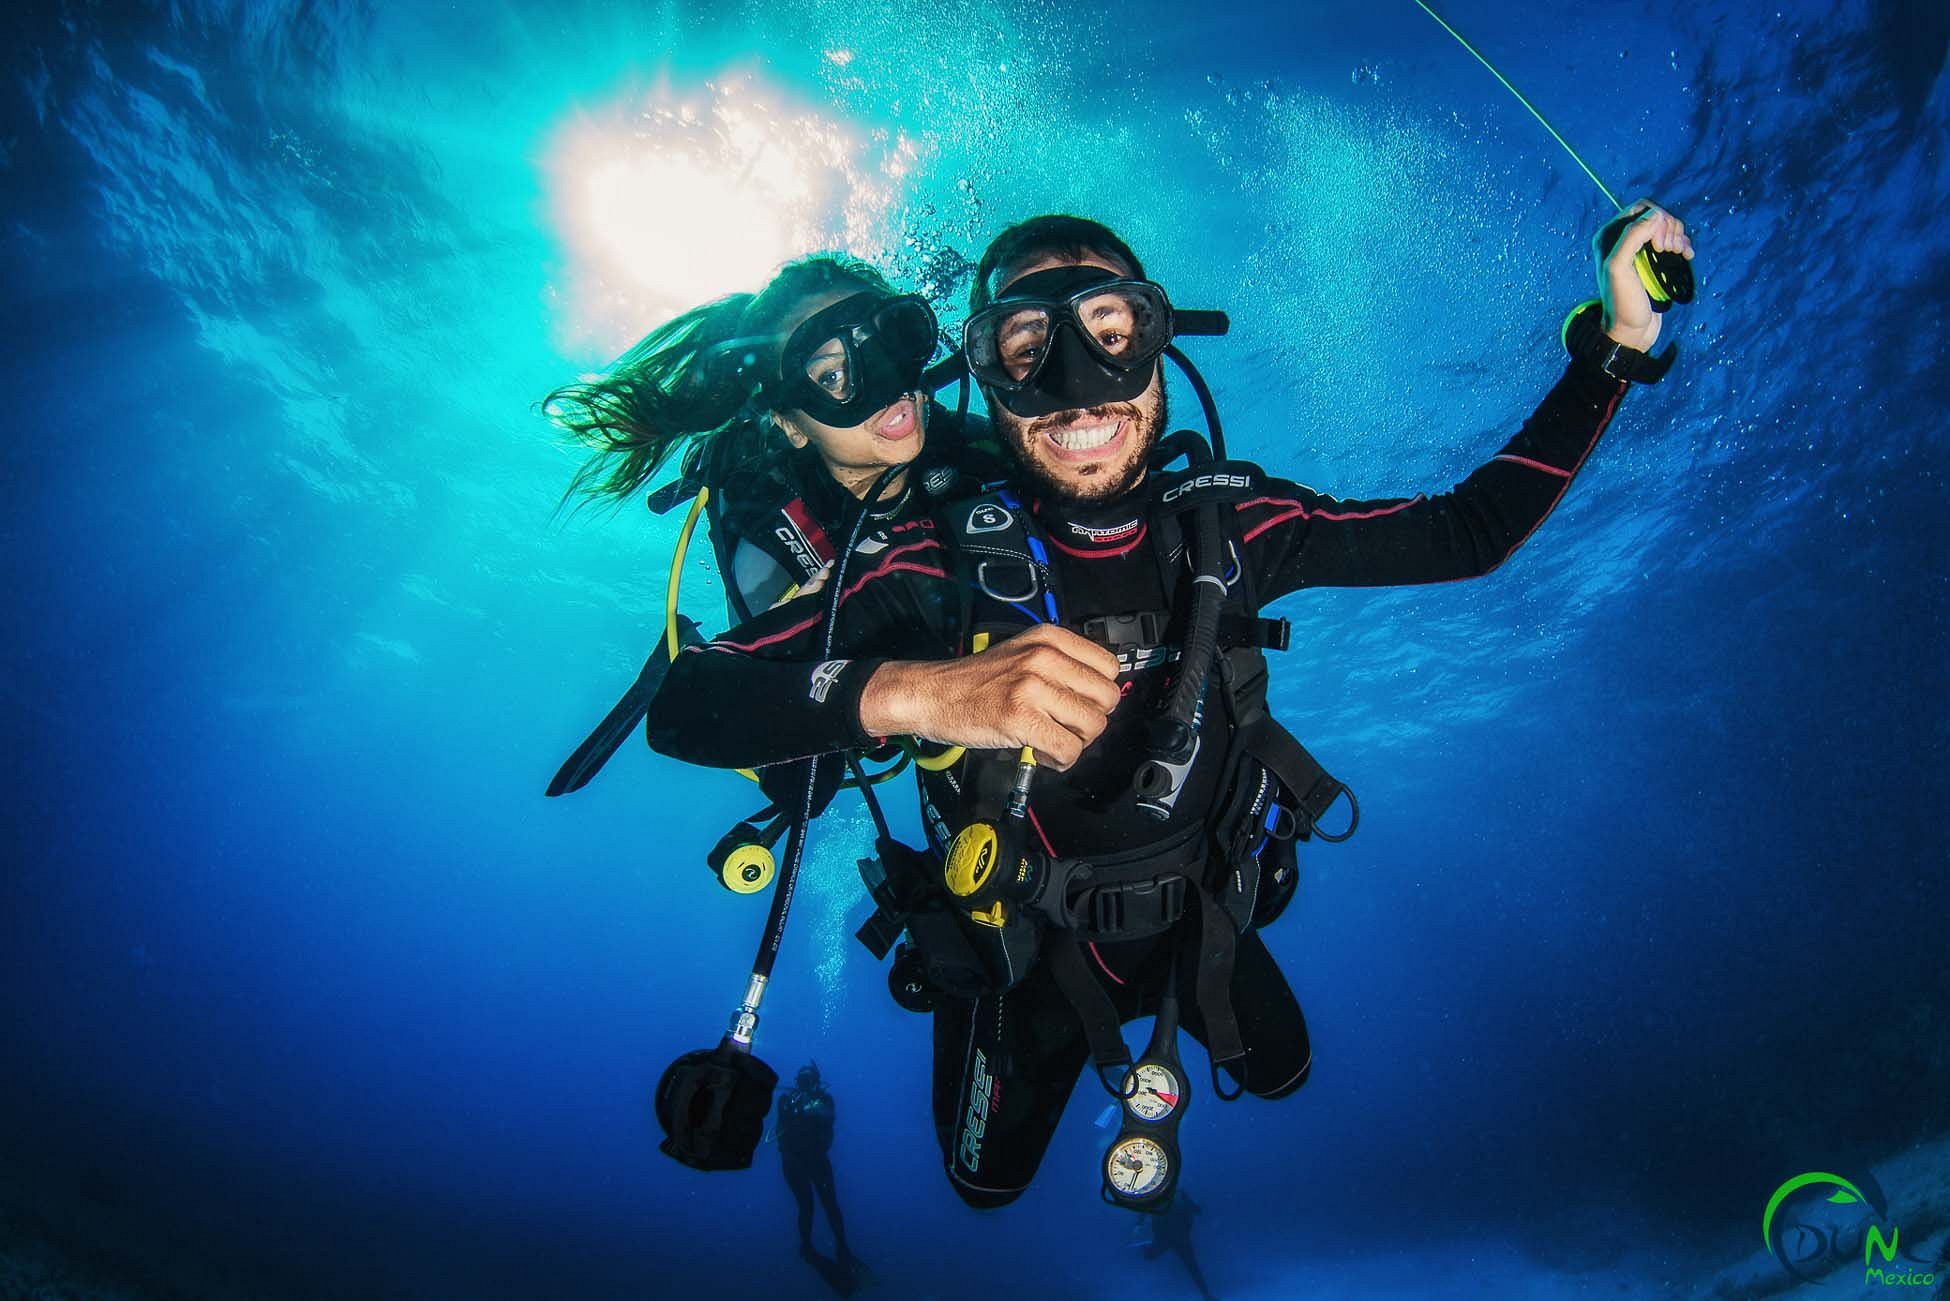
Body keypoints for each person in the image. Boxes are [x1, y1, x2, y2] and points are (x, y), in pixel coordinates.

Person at [641, 206, 1694, 1207]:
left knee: (1288, 1075)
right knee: (983, 1184)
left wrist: (1617, 343)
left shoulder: (1237, 525)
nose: (1078, 389)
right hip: (1022, 954)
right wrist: (919, 687)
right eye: (1026, 349)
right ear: (988, 380)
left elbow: (1470, 530)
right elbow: (688, 703)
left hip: (1206, 916)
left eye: (1111, 332)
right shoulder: (926, 564)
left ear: (1159, 343)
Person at [541, 255, 1003, 803]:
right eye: (832, 375)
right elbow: (796, 781)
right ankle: (687, 650)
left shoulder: (979, 455)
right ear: (790, 423)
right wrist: (892, 692)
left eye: (891, 338)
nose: (884, 384)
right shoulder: (776, 529)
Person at [769, 1062, 861, 1290]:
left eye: (809, 1080)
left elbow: (828, 1116)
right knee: (806, 1205)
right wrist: (801, 1108)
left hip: (817, 1160)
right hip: (793, 1161)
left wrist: (811, 1108)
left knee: (831, 1205)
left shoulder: (825, 1100)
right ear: (797, 1081)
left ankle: (842, 1247)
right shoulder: (787, 1100)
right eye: (802, 1080)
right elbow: (784, 1117)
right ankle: (807, 1246)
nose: (805, 1083)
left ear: (817, 1082)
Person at [1136, 1190, 1217, 1301]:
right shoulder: (1164, 1194)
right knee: (1151, 1256)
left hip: (1178, 1238)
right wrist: (1139, 1224)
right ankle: (1207, 1295)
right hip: (1168, 1237)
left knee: (1193, 1267)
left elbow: (1195, 1209)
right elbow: (1145, 1209)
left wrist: (1139, 1225)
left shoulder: (1180, 1194)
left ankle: (1207, 1295)